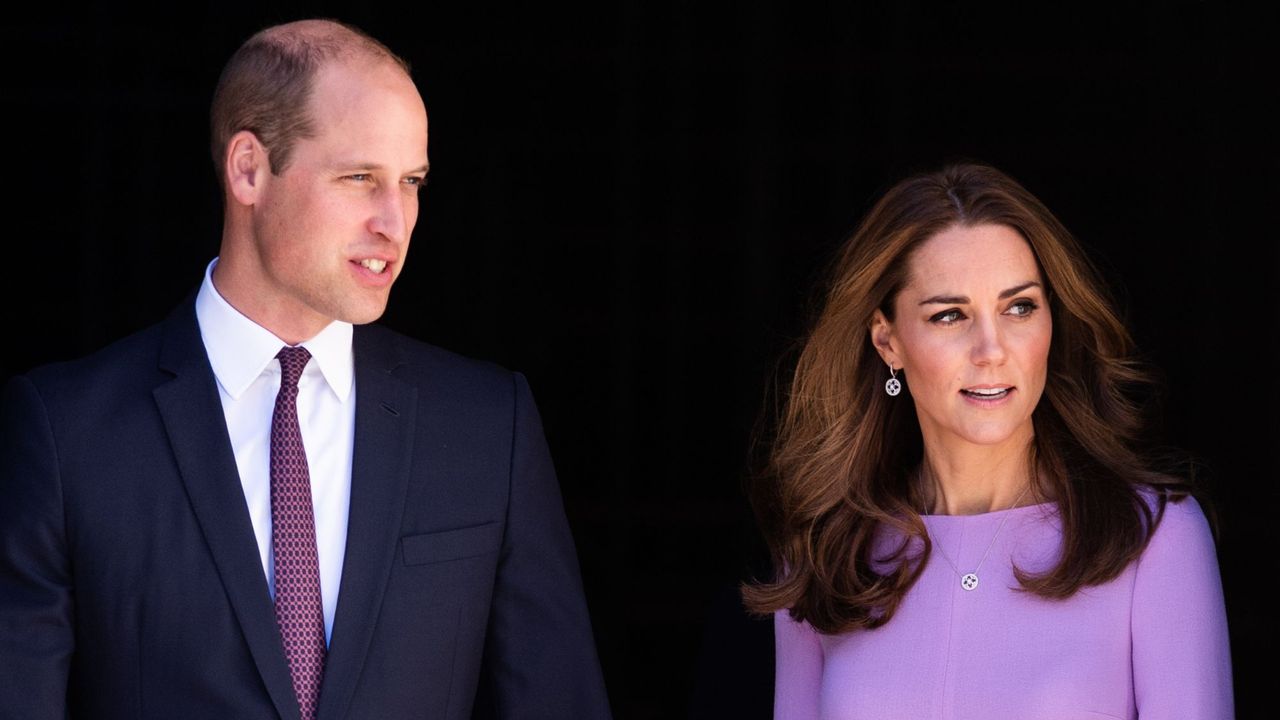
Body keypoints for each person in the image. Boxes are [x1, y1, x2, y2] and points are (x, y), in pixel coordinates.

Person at [0, 19, 611, 720]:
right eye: (359, 178)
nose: (397, 220)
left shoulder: (484, 427)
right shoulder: (66, 434)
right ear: (249, 169)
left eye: (411, 182)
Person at [742, 163, 1232, 719]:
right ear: (888, 342)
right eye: (951, 315)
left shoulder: (1152, 538)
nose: (991, 349)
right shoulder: (827, 552)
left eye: (1019, 307)